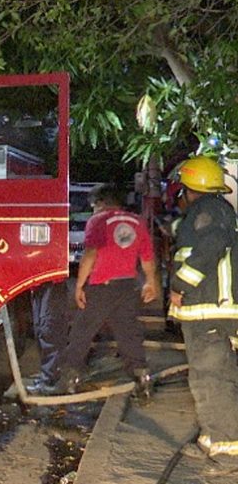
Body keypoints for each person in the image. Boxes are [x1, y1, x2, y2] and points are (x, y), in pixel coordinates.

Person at [167, 155, 238, 476]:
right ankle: (211, 439)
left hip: (210, 315)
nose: (179, 195)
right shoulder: (212, 211)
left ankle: (228, 454)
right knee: (207, 380)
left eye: (181, 189)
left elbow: (210, 248)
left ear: (190, 187)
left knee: (213, 381)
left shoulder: (209, 212)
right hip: (205, 315)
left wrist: (180, 285)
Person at [55, 183, 158, 398]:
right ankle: (143, 380)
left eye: (93, 205)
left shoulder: (98, 221)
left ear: (101, 202)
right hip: (128, 286)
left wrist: (80, 285)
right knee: (129, 334)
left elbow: (91, 254)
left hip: (102, 286)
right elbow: (147, 257)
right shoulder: (137, 222)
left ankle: (69, 381)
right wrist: (151, 282)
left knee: (81, 332)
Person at [26, 281, 69, 395]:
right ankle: (47, 375)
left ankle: (52, 380)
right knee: (41, 328)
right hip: (39, 283)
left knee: (49, 329)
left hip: (51, 282)